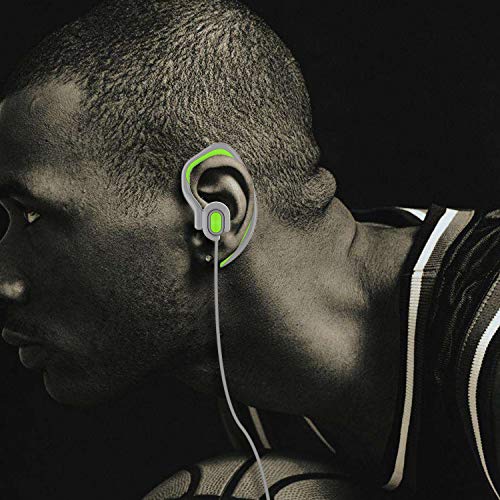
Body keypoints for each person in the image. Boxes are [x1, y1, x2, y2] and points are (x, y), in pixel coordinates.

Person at [0, 0, 498, 498]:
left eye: (33, 215)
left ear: (217, 208)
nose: (6, 282)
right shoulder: (264, 388)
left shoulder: (487, 338)